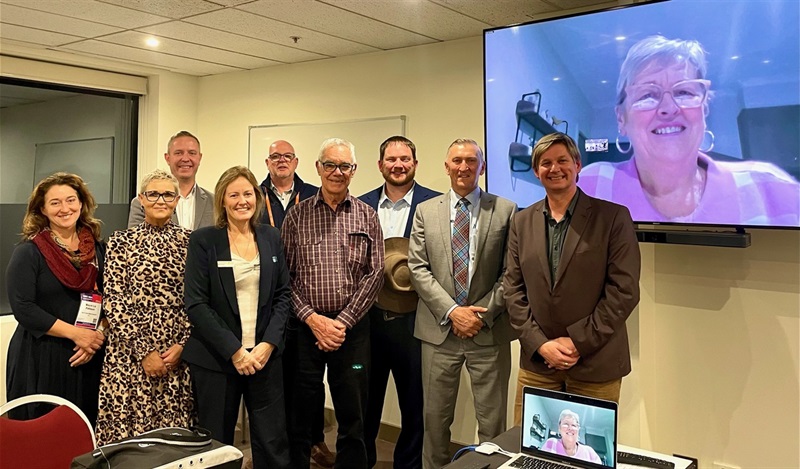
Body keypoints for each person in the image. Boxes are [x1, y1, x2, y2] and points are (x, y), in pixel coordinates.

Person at [579, 35, 800, 225]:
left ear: (703, 109)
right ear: (621, 118)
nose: (668, 108)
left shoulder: (772, 188)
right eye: (647, 95)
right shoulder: (588, 185)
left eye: (684, 92)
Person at [504, 133, 641, 426]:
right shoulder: (521, 221)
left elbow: (624, 291)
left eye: (562, 161)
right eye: (546, 163)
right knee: (530, 451)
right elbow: (513, 289)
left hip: (595, 363)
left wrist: (578, 342)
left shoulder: (613, 218)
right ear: (536, 171)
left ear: (577, 165)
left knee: (588, 454)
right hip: (538, 364)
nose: (555, 168)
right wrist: (540, 344)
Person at [408, 138, 517, 469]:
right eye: (457, 160)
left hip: (488, 331)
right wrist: (453, 312)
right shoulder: (426, 211)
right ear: (446, 166)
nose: (464, 167)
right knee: (434, 423)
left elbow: (511, 273)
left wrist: (480, 315)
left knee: (492, 426)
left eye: (471, 161)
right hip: (439, 333)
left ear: (482, 167)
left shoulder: (505, 210)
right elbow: (417, 268)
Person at [282, 138, 385, 468]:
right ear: (318, 168)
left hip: (351, 334)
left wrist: (342, 322)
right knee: (300, 416)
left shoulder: (367, 216)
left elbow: (376, 273)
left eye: (345, 166)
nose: (337, 172)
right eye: (330, 165)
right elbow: (286, 277)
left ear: (353, 171)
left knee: (353, 417)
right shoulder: (297, 217)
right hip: (304, 331)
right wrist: (313, 319)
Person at [183, 166, 292, 468]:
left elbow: (284, 294)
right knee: (216, 444)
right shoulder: (205, 241)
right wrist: (234, 350)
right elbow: (196, 303)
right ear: (222, 200)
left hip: (264, 357)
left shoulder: (271, 236)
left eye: (247, 194)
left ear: (256, 197)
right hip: (217, 359)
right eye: (234, 195)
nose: (242, 200)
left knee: (272, 441)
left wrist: (268, 344)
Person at [95, 169, 195, 445]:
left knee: (173, 442)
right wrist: (144, 351)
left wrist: (184, 345)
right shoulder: (120, 242)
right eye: (153, 194)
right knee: (128, 442)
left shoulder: (193, 242)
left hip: (175, 353)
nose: (160, 200)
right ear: (141, 199)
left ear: (177, 200)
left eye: (167, 194)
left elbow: (200, 300)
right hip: (128, 355)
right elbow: (114, 301)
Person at [359, 136, 440, 468]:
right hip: (367, 321)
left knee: (414, 406)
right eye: (391, 159)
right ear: (380, 165)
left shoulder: (435, 205)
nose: (398, 165)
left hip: (416, 322)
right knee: (365, 403)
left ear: (415, 164)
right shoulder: (359, 205)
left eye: (405, 159)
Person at [5, 173, 106, 425]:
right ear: (42, 209)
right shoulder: (29, 252)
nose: (65, 209)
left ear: (81, 203)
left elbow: (112, 297)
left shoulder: (98, 249)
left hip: (89, 354)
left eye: (71, 200)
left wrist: (96, 336)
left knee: (86, 434)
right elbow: (24, 308)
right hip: (40, 356)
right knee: (43, 435)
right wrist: (76, 334)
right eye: (55, 203)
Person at [258, 139, 331, 467]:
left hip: (306, 297)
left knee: (307, 381)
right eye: (276, 157)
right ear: (268, 162)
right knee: (274, 378)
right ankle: (273, 447)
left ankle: (314, 440)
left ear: (297, 161)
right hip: (266, 294)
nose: (281, 161)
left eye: (287, 156)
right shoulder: (254, 196)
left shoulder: (315, 195)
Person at [128, 130, 215, 229]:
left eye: (192, 153)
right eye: (178, 153)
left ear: (199, 158)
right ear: (167, 158)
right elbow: (134, 240)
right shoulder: (142, 203)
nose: (185, 159)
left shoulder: (215, 203)